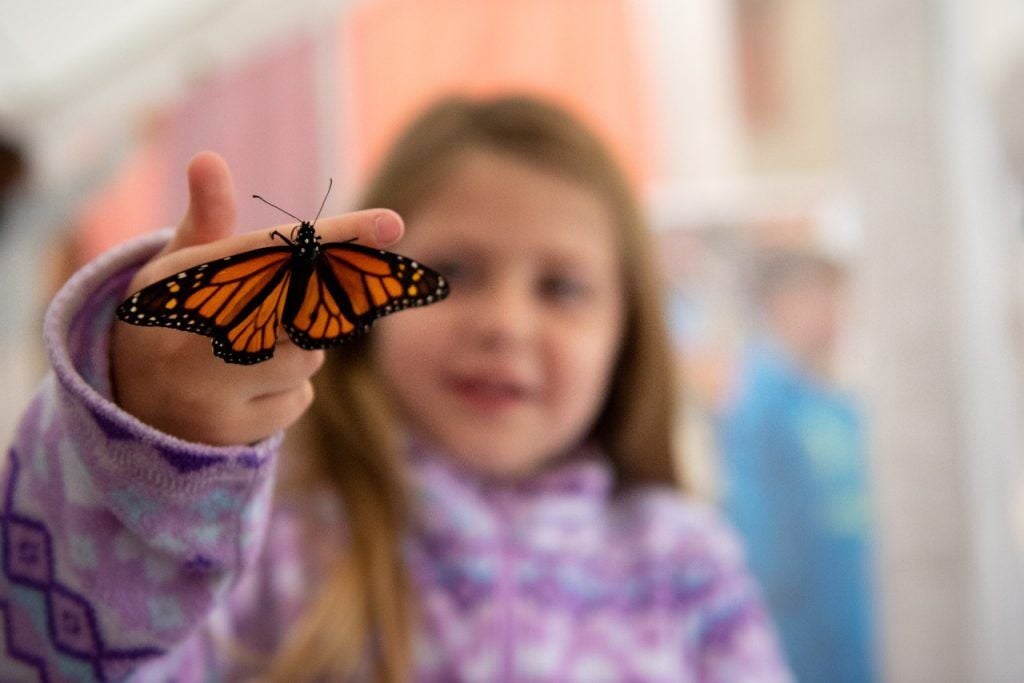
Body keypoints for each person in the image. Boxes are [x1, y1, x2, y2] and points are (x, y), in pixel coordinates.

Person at [2, 96, 790, 681]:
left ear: (630, 334)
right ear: (368, 308)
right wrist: (146, 441)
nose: (506, 324)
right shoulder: (277, 537)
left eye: (561, 287)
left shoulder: (686, 559)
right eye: (453, 273)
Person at [716, 248, 874, 683]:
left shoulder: (838, 402)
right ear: (775, 306)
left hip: (856, 628)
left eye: (836, 297)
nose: (832, 313)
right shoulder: (759, 407)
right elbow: (765, 549)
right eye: (814, 297)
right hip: (803, 640)